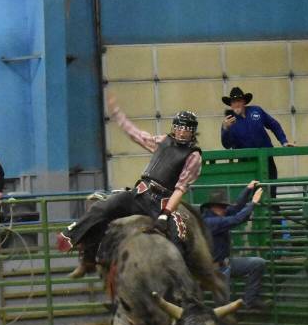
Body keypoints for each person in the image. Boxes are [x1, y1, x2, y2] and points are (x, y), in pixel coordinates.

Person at [59, 101, 202, 279]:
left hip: (162, 201)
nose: (182, 131)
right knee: (101, 208)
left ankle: (184, 283)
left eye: (186, 128)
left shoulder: (193, 156)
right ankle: (81, 251)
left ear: (192, 131)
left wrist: (165, 214)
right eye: (179, 127)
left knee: (178, 238)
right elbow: (137, 135)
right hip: (140, 193)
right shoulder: (164, 141)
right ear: (174, 127)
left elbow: (180, 188)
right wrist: (119, 116)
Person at [200, 182, 269, 311]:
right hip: (217, 270)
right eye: (223, 207)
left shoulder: (216, 216)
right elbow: (237, 218)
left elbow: (236, 208)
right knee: (223, 307)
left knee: (257, 263)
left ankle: (250, 300)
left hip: (226, 264)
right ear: (216, 207)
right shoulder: (210, 222)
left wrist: (247, 190)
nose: (226, 209)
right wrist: (253, 203)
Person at [220, 87, 292, 187]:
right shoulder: (228, 122)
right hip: (245, 162)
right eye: (233, 102)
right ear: (230, 105)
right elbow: (226, 145)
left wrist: (284, 141)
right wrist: (226, 129)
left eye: (239, 101)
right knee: (250, 192)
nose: (236, 104)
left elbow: (274, 124)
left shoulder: (256, 111)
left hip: (266, 157)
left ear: (244, 101)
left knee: (271, 188)